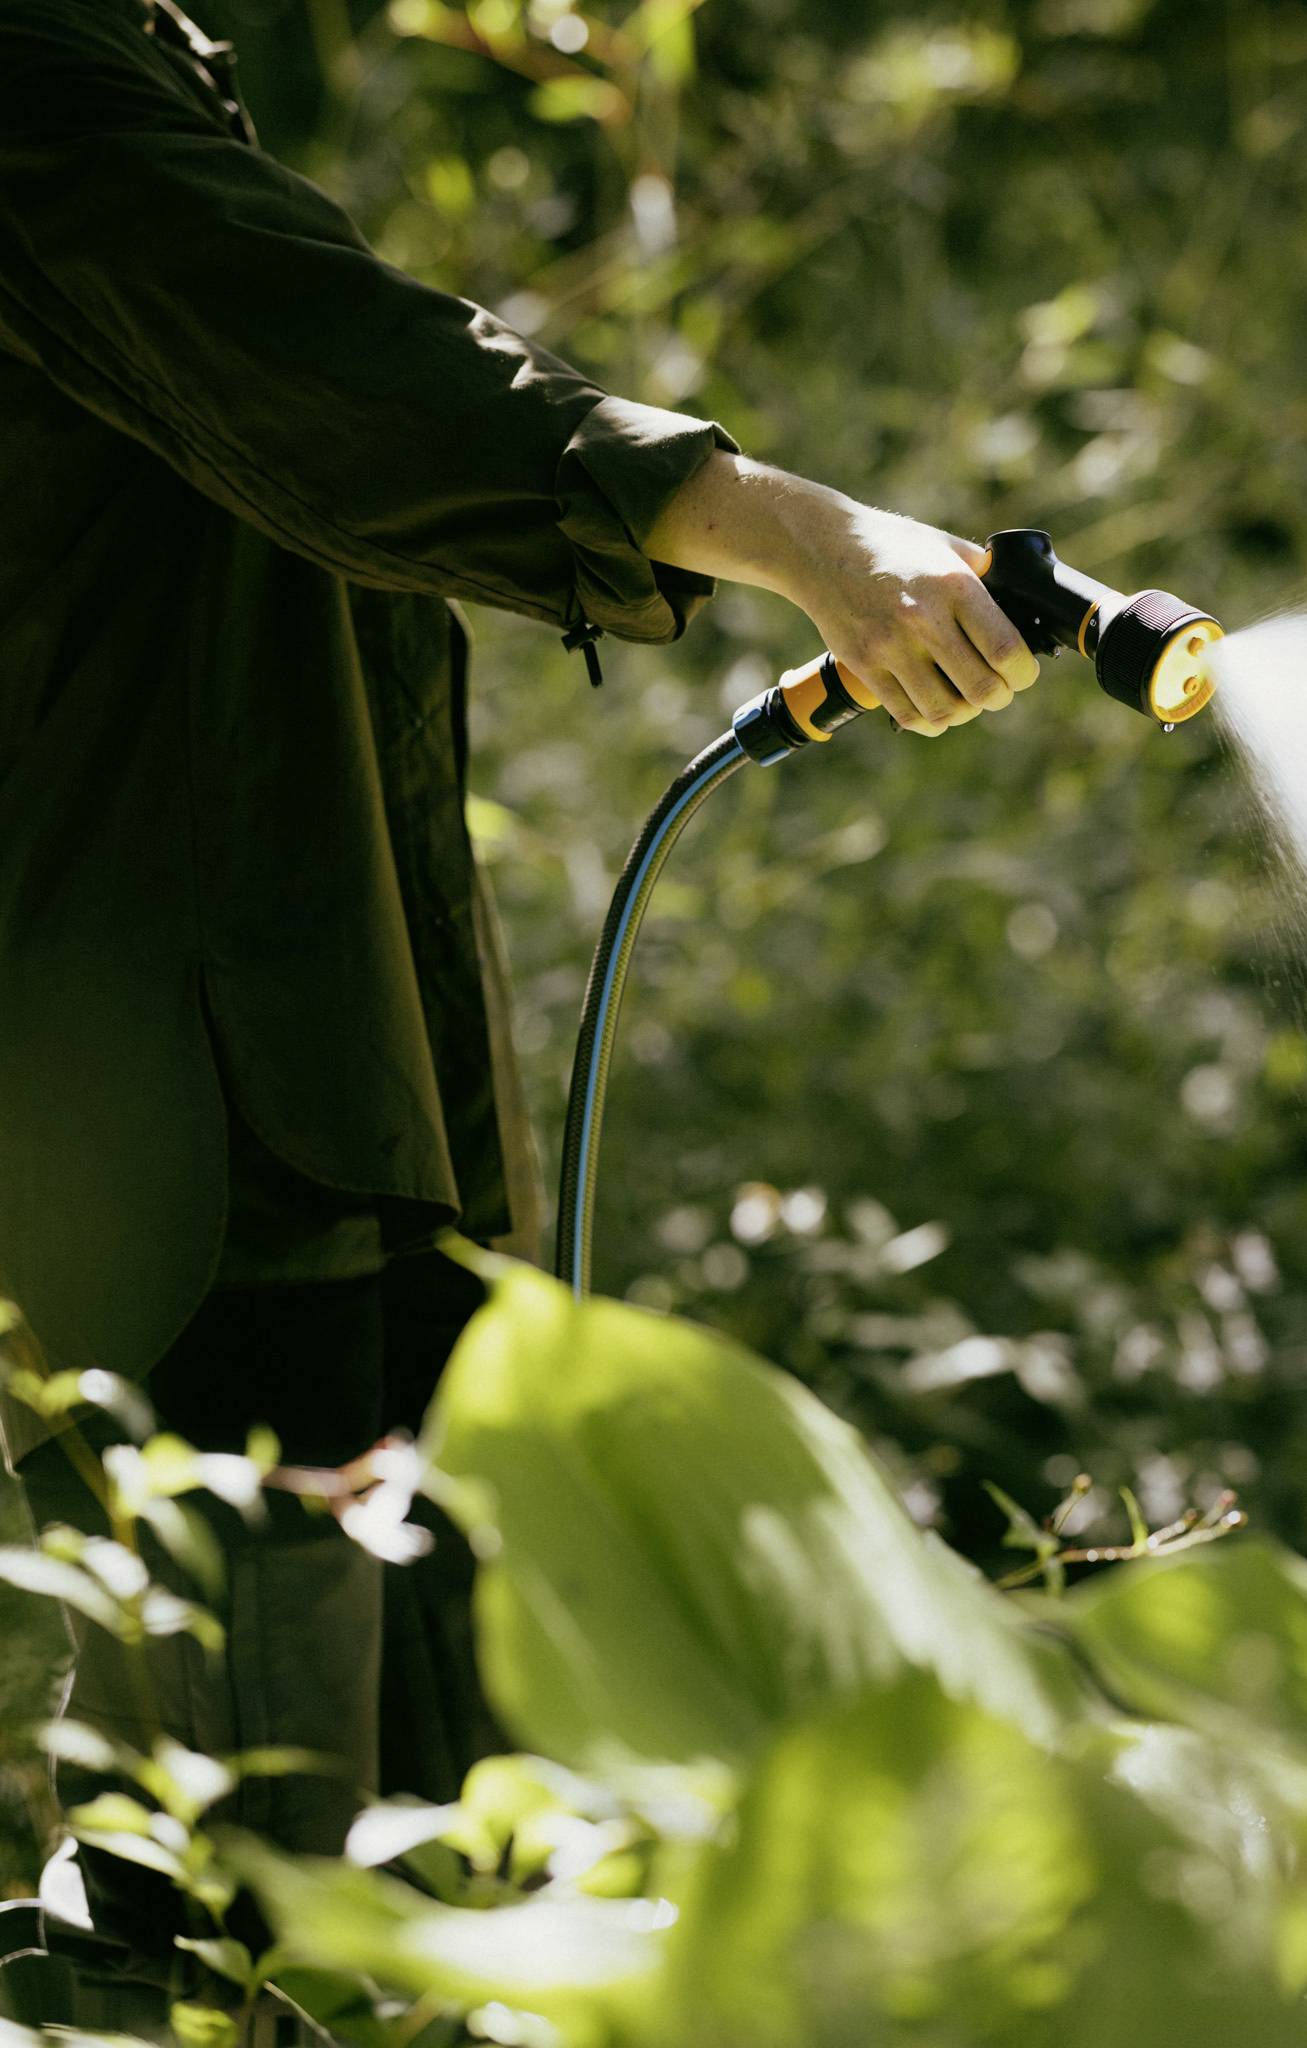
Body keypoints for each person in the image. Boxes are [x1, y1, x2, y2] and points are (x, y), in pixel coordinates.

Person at [0, 0, 1040, 1980]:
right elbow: (347, 390)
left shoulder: (140, 48)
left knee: (416, 1849)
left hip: (308, 1064)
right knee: (242, 1880)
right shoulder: (35, 76)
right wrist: (800, 533)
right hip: (157, 1116)